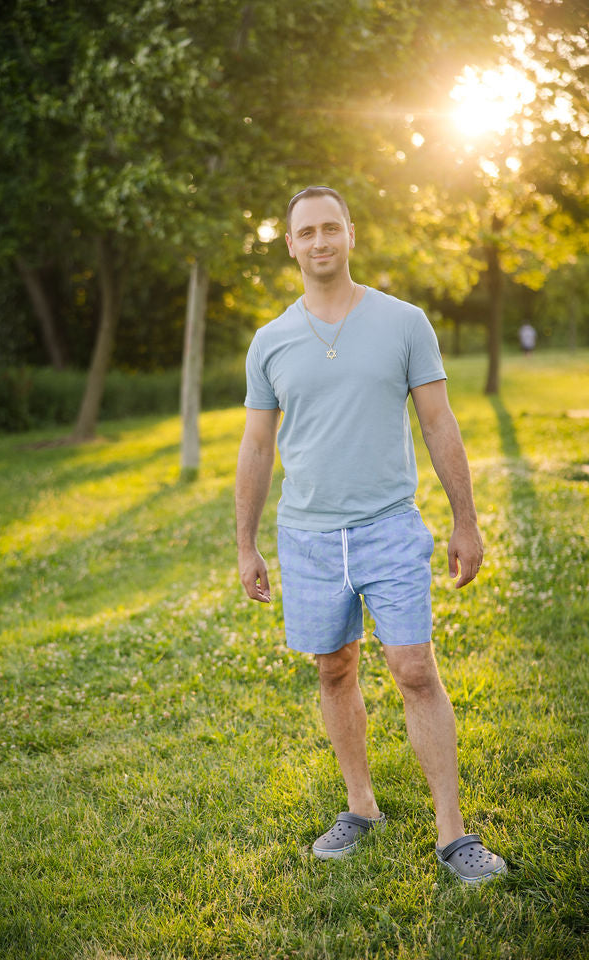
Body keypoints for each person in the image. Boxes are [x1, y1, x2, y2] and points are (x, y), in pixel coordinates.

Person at [235, 185, 506, 884]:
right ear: (291, 245)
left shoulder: (404, 321)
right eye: (307, 232)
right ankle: (361, 807)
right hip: (309, 538)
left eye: (332, 228)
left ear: (351, 235)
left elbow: (439, 422)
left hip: (389, 526)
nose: (321, 241)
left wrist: (465, 519)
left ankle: (454, 834)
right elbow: (257, 448)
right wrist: (246, 543)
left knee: (415, 669)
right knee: (334, 669)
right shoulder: (270, 342)